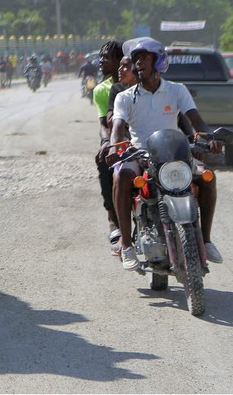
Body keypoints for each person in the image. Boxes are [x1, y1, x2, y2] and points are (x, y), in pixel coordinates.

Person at [110, 37, 224, 271]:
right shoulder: (124, 97)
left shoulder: (176, 91)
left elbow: (197, 122)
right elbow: (117, 128)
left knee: (207, 176)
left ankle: (206, 239)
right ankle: (128, 245)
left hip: (173, 155)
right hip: (140, 155)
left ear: (158, 61)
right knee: (122, 177)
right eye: (136, 59)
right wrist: (115, 148)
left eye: (145, 58)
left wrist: (210, 139)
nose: (139, 63)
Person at [91, 40, 125, 250]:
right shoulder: (102, 90)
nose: (101, 61)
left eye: (107, 57)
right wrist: (107, 143)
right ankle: (113, 218)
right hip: (116, 139)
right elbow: (105, 124)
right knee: (104, 163)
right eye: (101, 57)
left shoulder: (135, 85)